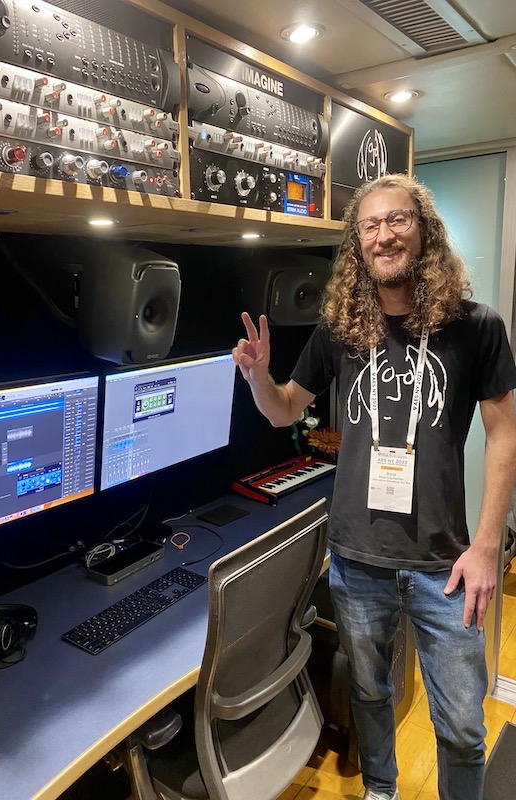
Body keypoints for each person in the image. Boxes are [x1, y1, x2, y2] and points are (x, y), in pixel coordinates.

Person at [232, 173, 516, 800]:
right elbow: (284, 409)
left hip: (446, 563)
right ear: (357, 245)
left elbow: (504, 435)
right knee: (368, 691)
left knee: (465, 727)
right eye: (370, 225)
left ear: (425, 231)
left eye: (398, 220)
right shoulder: (339, 331)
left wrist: (488, 546)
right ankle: (381, 789)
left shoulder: (477, 326)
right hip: (357, 561)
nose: (384, 235)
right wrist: (258, 377)